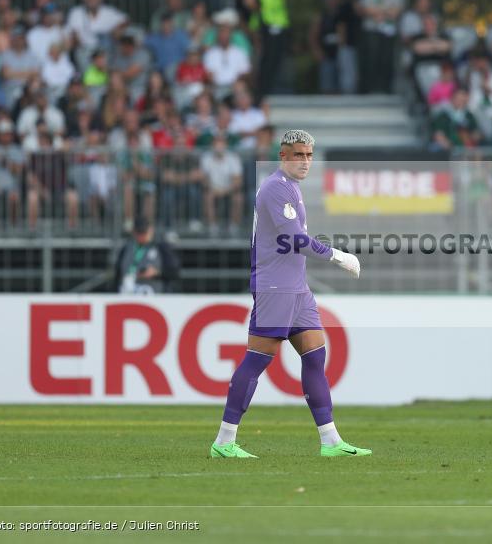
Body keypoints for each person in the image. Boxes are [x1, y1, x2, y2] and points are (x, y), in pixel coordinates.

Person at [210, 128, 370, 459]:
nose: (305, 161)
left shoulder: (291, 189)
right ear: (283, 156)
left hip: (296, 288)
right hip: (274, 286)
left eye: (309, 155)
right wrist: (338, 256)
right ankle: (224, 441)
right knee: (256, 361)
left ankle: (330, 441)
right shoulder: (273, 189)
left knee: (315, 356)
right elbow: (295, 239)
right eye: (299, 154)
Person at [113, 216, 180, 294]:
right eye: (139, 233)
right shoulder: (126, 249)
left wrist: (157, 273)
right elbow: (117, 273)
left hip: (153, 294)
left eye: (144, 232)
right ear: (134, 232)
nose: (142, 236)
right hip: (127, 291)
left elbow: (174, 272)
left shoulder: (161, 248)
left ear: (151, 230)